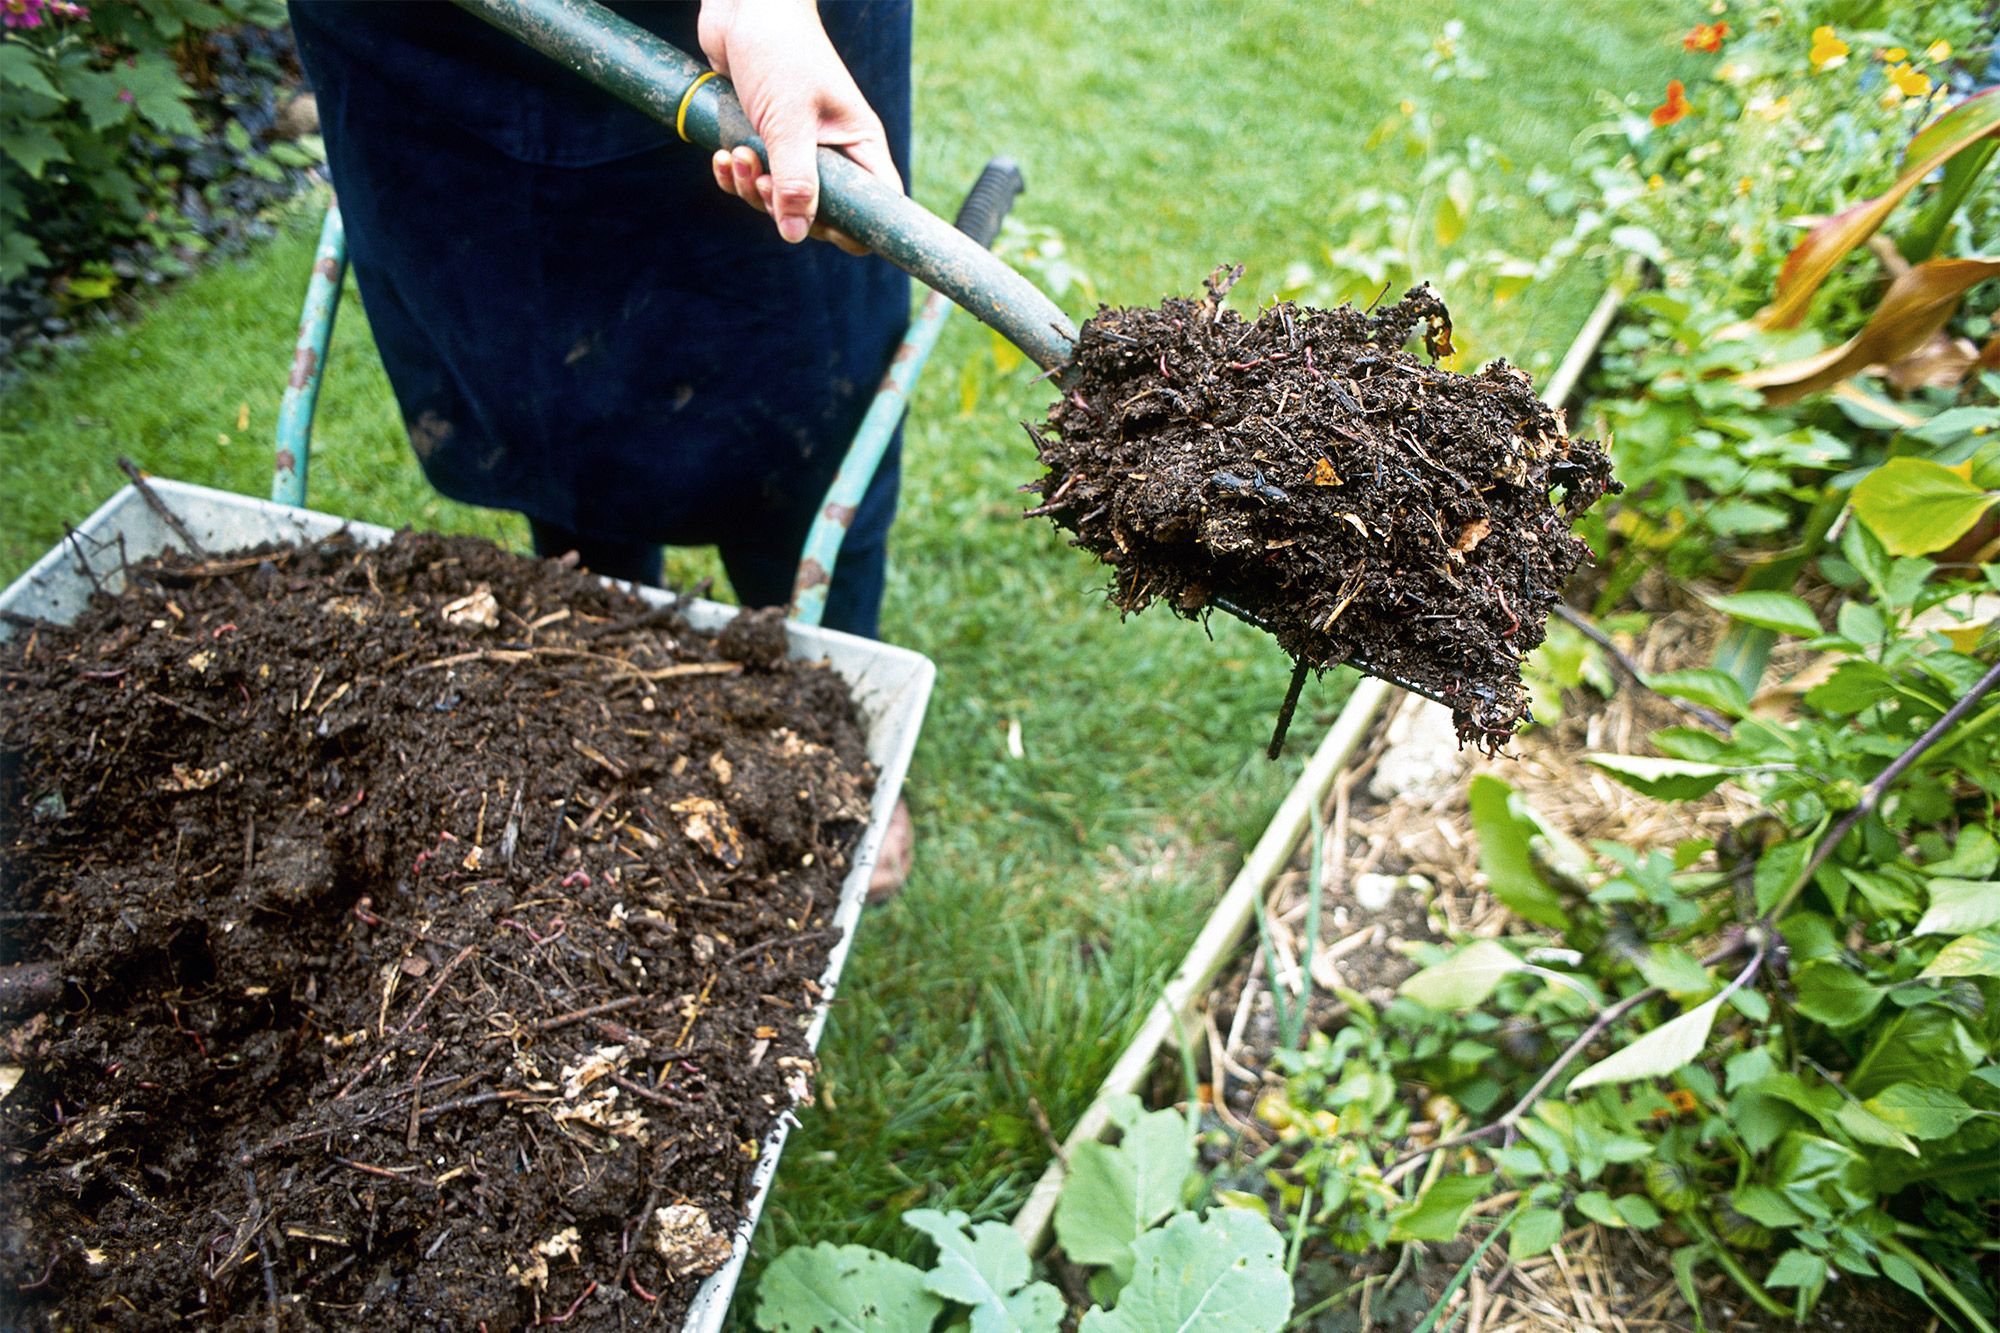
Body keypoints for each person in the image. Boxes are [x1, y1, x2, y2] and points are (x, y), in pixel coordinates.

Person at [289, 0, 916, 894]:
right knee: (540, 395)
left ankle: (838, 730)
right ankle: (610, 711)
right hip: (437, 49)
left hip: (748, 35)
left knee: (804, 405)